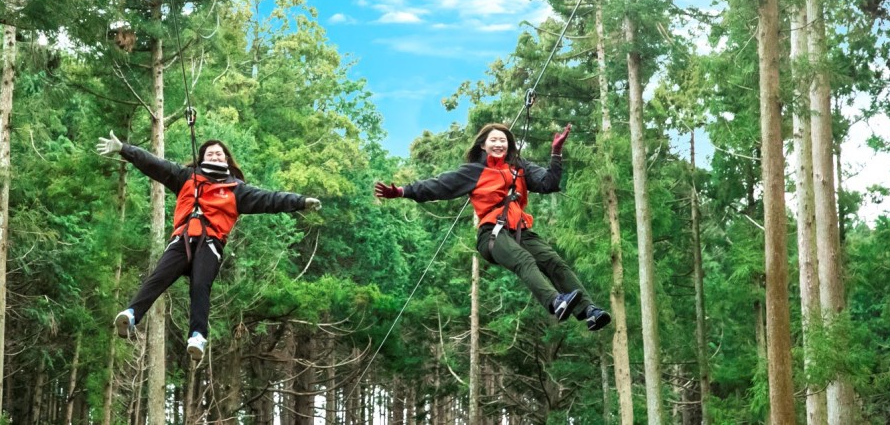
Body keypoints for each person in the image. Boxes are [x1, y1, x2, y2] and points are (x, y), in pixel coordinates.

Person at [96, 132, 322, 361]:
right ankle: (132, 314)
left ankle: (197, 336)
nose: (214, 156)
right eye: (210, 153)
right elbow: (155, 164)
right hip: (182, 239)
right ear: (202, 157)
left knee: (200, 286)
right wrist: (124, 148)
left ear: (226, 160)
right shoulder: (186, 177)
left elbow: (271, 199)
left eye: (219, 153)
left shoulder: (237, 190)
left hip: (210, 243)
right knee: (158, 277)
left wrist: (300, 201)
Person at [374, 122, 610, 330]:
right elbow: (438, 185)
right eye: (494, 140)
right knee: (523, 260)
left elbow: (548, 183)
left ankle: (589, 311)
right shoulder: (474, 172)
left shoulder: (519, 168)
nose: (499, 144)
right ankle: (555, 301)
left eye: (503, 140)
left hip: (520, 231)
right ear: (483, 146)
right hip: (492, 235)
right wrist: (402, 191)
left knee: (554, 262)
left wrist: (556, 153)